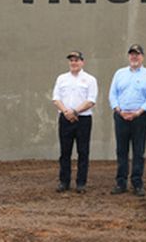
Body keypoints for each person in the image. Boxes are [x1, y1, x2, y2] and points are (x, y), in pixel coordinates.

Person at [109, 44, 146, 197]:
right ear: (128, 56)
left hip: (140, 118)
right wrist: (119, 111)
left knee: (138, 151)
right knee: (121, 151)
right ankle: (120, 182)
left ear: (142, 57)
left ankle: (137, 182)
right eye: (132, 54)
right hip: (121, 117)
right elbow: (112, 95)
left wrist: (137, 113)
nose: (134, 57)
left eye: (137, 54)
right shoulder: (119, 73)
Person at [51, 51, 97, 194]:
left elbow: (91, 100)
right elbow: (56, 98)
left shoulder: (90, 79)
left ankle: (81, 183)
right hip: (65, 118)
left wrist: (75, 112)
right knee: (65, 152)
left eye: (76, 60)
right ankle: (64, 182)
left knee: (83, 152)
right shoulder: (61, 78)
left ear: (82, 62)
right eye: (71, 60)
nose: (73, 63)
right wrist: (66, 112)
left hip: (83, 119)